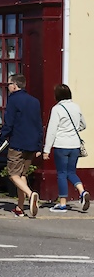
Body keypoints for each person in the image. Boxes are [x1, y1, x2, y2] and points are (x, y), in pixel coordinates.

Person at [0, 73, 43, 217]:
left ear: (15, 85)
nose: (8, 87)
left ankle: (30, 194)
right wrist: (39, 145)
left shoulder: (13, 100)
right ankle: (20, 207)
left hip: (18, 142)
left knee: (13, 174)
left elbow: (8, 124)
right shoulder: (35, 101)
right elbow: (39, 124)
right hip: (32, 143)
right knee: (22, 175)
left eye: (8, 84)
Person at [42, 83, 90, 212]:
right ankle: (82, 192)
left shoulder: (57, 109)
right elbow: (83, 124)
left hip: (61, 145)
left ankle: (62, 203)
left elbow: (52, 130)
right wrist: (73, 130)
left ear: (57, 95)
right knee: (71, 172)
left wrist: (46, 150)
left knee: (62, 174)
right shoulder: (76, 107)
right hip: (75, 145)